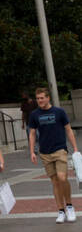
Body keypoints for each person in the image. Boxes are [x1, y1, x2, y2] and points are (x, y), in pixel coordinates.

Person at [27, 87, 78, 224]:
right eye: (38, 98)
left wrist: (76, 149)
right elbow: (32, 133)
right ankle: (61, 211)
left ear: (48, 98)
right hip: (45, 153)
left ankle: (69, 206)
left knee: (62, 178)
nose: (40, 101)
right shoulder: (34, 115)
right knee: (55, 182)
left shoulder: (59, 112)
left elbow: (68, 130)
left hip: (60, 150)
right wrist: (32, 151)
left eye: (42, 98)